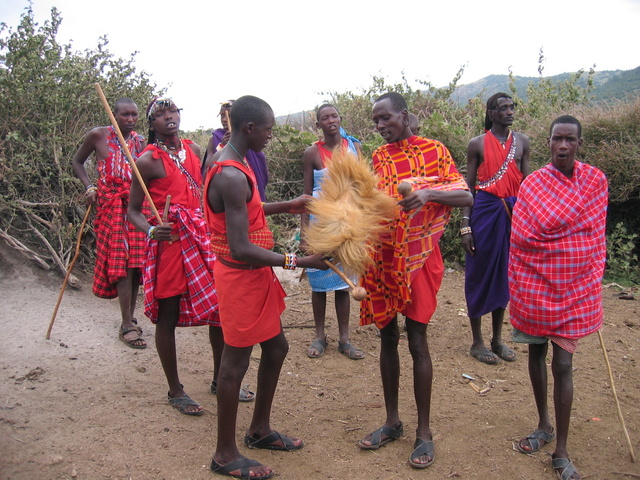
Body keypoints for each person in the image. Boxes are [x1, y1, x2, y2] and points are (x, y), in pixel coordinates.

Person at [205, 95, 328, 480]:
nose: (272, 136)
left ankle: (259, 429)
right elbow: (240, 246)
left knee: (276, 346)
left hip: (253, 275)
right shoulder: (228, 173)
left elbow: (247, 209)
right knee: (234, 364)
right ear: (249, 128)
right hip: (240, 275)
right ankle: (224, 453)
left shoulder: (237, 164)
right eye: (269, 129)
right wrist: (299, 262)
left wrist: (287, 205)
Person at [357, 92, 472, 469]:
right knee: (387, 337)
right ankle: (392, 421)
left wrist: (427, 194)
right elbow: (373, 201)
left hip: (421, 258)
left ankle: (424, 432)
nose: (379, 126)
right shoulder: (379, 157)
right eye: (375, 121)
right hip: (383, 257)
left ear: (404, 116)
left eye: (384, 118)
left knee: (418, 340)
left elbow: (465, 195)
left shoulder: (435, 151)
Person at [510, 115, 607, 480]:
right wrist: (558, 252)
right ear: (548, 143)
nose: (562, 146)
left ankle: (561, 450)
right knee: (535, 354)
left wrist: (574, 261)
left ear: (579, 144)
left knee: (563, 365)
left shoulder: (595, 181)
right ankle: (543, 425)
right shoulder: (533, 183)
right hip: (535, 284)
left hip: (574, 287)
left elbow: (593, 238)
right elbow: (522, 237)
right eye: (556, 139)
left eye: (569, 140)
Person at [128, 98, 219, 416]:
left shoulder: (194, 150)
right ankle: (175, 389)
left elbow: (203, 194)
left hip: (202, 239)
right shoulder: (146, 161)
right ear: (151, 124)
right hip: (169, 245)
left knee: (219, 308)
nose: (169, 118)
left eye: (173, 112)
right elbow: (133, 212)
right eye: (160, 115)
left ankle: (221, 380)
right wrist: (153, 231)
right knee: (167, 314)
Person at [71, 98, 148, 349]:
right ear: (113, 114)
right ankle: (126, 324)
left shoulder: (140, 142)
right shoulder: (98, 135)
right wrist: (89, 187)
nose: (130, 119)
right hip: (111, 206)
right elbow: (77, 162)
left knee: (136, 265)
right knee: (123, 263)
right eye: (125, 114)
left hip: (137, 208)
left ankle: (131, 317)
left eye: (134, 115)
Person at [461, 92, 530, 364]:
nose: (510, 112)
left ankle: (497, 339)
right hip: (484, 212)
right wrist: (465, 226)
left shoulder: (522, 142)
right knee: (478, 273)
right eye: (503, 108)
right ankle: (477, 341)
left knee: (505, 275)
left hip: (514, 214)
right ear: (491, 113)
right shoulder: (476, 144)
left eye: (512, 107)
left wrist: (529, 223)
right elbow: (468, 187)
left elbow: (527, 186)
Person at [300, 104, 365, 360]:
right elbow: (306, 197)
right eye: (324, 118)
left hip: (348, 221)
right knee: (318, 282)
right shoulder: (311, 153)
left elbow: (363, 188)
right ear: (318, 125)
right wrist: (304, 234)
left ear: (340, 119)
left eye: (334, 116)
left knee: (343, 284)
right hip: (320, 223)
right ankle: (319, 336)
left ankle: (345, 339)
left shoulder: (354, 148)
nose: (331, 120)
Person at [203, 99, 269, 201]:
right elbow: (207, 171)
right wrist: (223, 146)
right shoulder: (215, 138)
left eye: (229, 116)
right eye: (222, 116)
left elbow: (259, 166)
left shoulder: (250, 138)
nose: (225, 120)